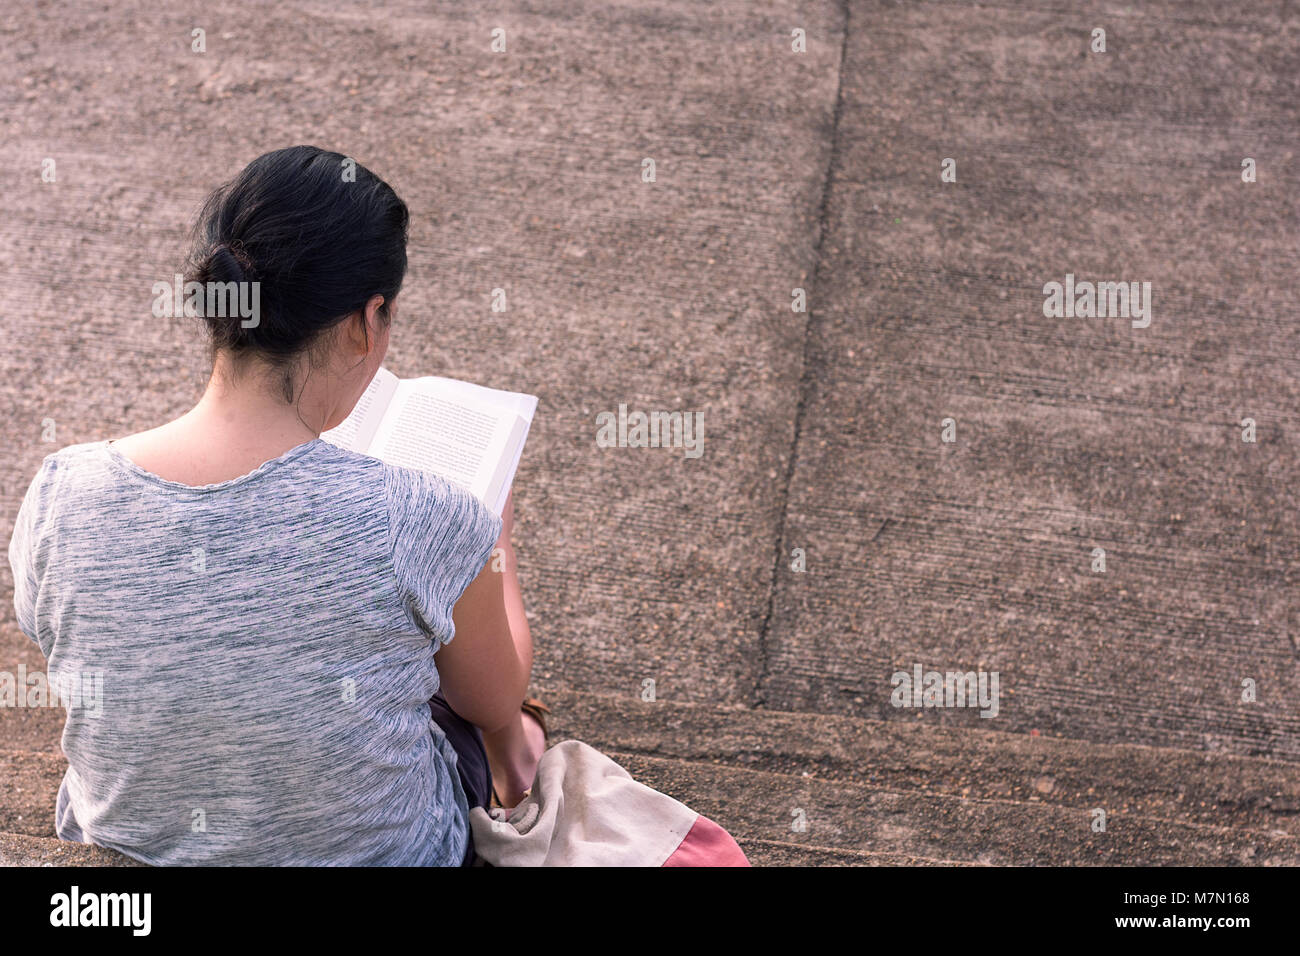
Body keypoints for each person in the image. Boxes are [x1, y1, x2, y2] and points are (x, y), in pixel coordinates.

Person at [6, 145, 546, 865]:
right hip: (385, 856)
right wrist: (491, 536)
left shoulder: (61, 492)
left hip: (129, 851)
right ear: (367, 320)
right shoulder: (419, 513)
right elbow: (493, 701)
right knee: (493, 719)